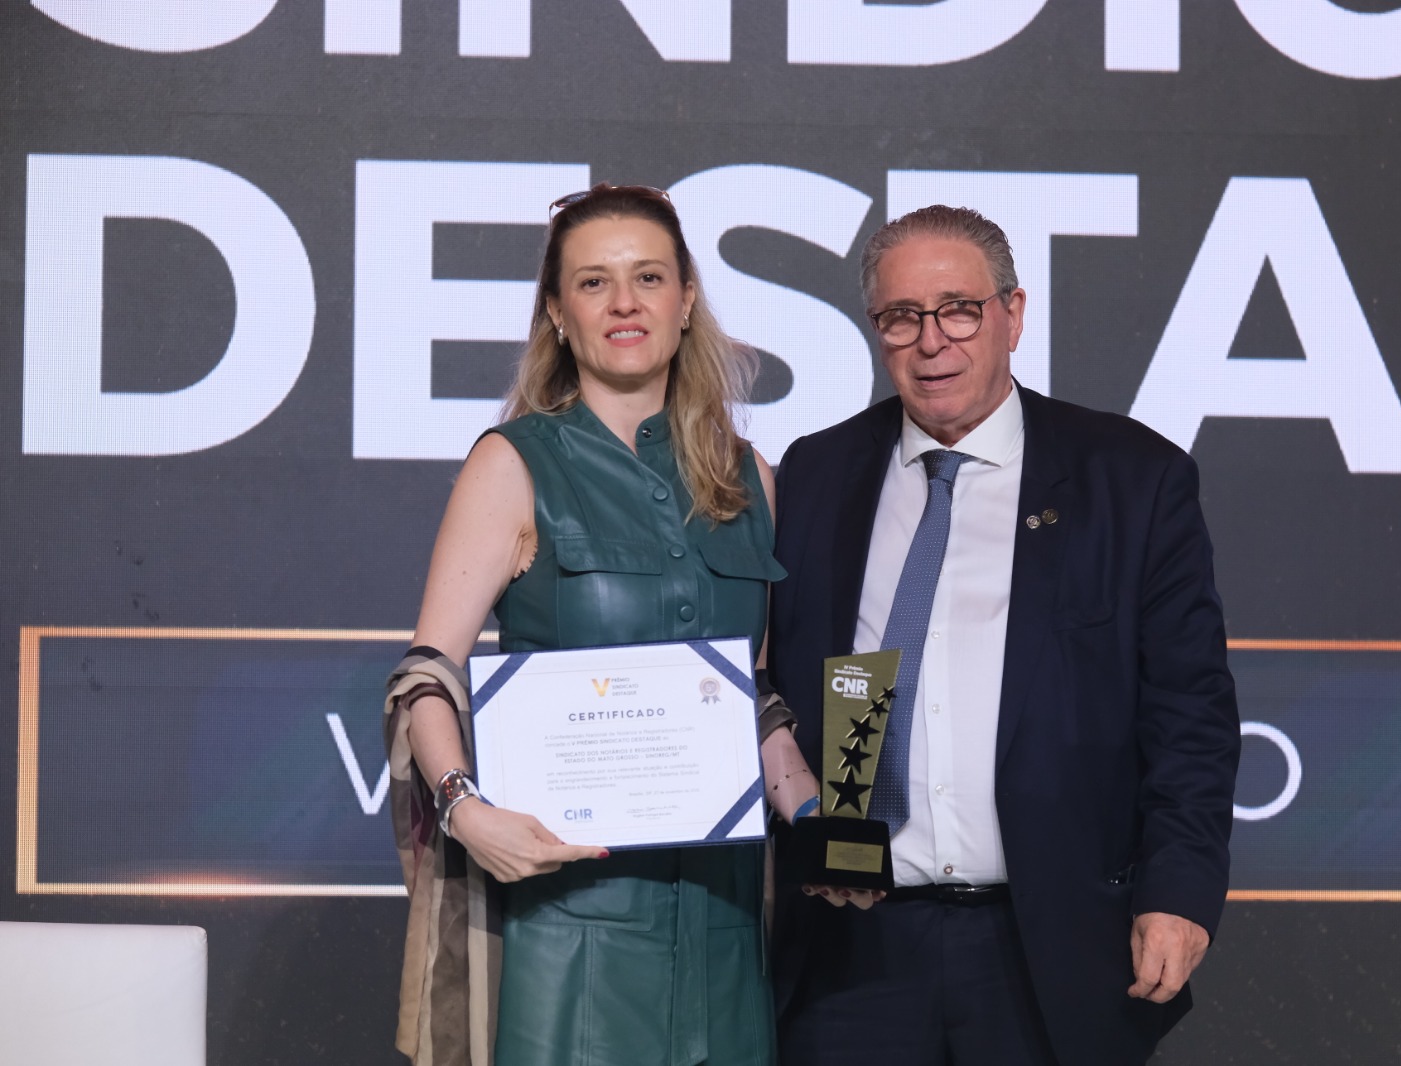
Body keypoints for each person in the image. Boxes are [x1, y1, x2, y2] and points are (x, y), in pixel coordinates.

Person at [767, 205, 1241, 1065]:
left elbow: (1191, 715)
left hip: (1049, 947)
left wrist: (1178, 891)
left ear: (1012, 315)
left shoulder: (1132, 479)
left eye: (958, 310)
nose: (931, 342)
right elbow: (784, 676)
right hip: (853, 950)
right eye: (901, 317)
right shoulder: (818, 472)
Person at [382, 183, 822, 1066]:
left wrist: (816, 818)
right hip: (565, 926)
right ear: (558, 312)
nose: (625, 302)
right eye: (594, 282)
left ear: (686, 300)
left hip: (725, 927)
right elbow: (427, 673)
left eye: (648, 277)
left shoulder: (750, 479)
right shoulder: (513, 463)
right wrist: (466, 809)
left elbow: (752, 699)